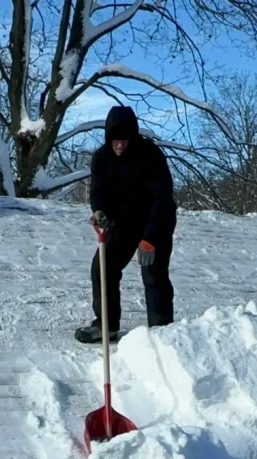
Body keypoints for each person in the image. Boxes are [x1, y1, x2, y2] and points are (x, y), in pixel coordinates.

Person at [75, 105, 177, 344]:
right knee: (103, 266)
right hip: (122, 223)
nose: (119, 145)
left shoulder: (150, 155)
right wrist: (99, 211)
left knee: (153, 273)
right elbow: (99, 191)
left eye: (124, 140)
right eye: (115, 140)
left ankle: (161, 333)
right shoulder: (101, 158)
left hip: (155, 221)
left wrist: (150, 239)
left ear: (133, 137)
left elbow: (163, 200)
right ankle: (106, 325)